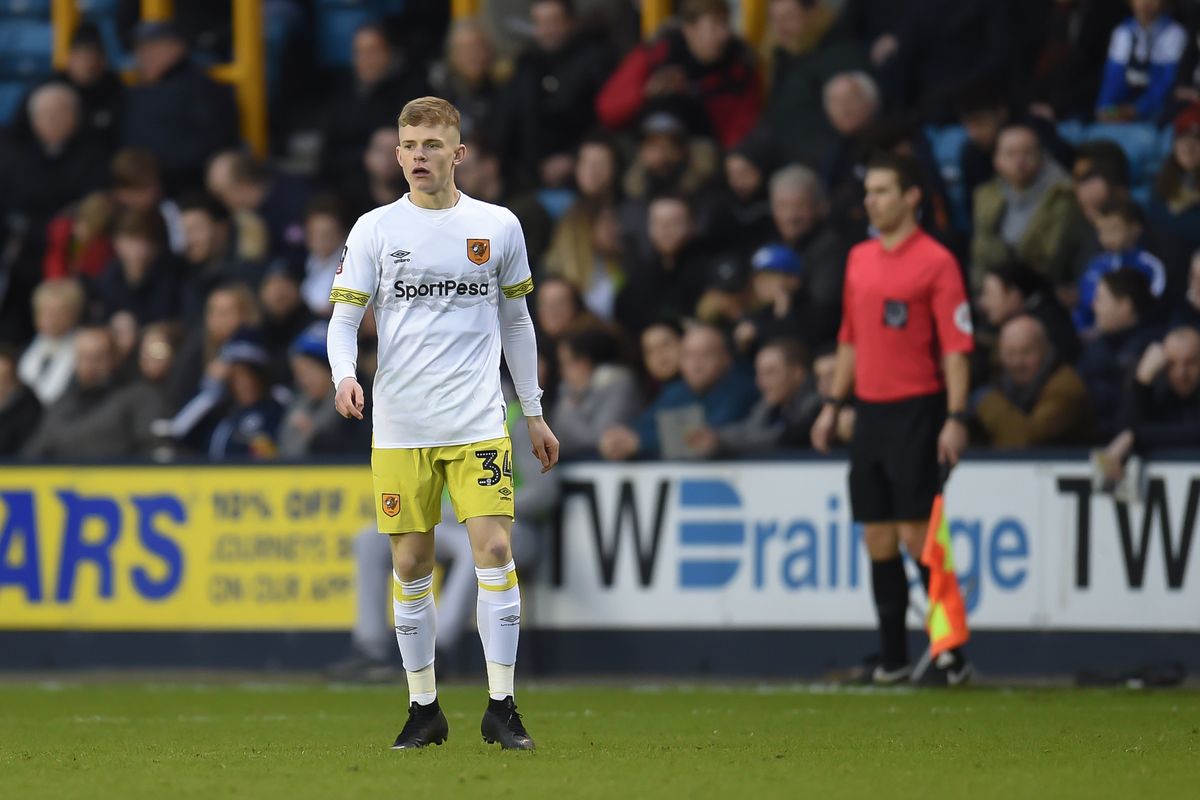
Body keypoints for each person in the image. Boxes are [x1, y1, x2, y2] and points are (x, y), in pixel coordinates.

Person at [325, 97, 559, 750]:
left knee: (493, 549)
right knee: (411, 564)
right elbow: (345, 319)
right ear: (397, 156)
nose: (420, 156)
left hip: (479, 421)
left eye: (433, 144)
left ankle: (502, 705)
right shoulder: (375, 229)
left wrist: (533, 412)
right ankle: (424, 707)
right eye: (410, 145)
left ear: (459, 153)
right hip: (401, 427)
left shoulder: (498, 226)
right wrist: (344, 374)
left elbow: (517, 322)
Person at [810, 153, 975, 686]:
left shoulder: (937, 261)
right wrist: (834, 405)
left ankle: (950, 651)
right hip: (870, 412)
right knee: (877, 537)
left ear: (911, 198)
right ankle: (894, 657)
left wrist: (955, 415)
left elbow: (956, 347)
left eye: (882, 191)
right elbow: (849, 337)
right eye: (868, 192)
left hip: (918, 408)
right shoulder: (859, 259)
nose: (871, 201)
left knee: (919, 535)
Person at [598, 323, 757, 460]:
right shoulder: (676, 391)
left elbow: (701, 437)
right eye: (688, 355)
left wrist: (640, 443)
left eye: (705, 355)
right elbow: (645, 425)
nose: (696, 365)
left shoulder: (741, 389)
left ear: (726, 358)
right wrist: (618, 438)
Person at [970, 122, 1086, 293]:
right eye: (1010, 154)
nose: (1019, 161)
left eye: (1026, 152)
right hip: (994, 292)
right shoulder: (985, 195)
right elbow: (979, 253)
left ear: (1041, 155)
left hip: (1043, 291)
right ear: (997, 160)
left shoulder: (1063, 196)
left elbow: (1050, 258)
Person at [972, 315, 1094, 448]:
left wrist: (985, 399)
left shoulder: (1066, 387)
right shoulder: (999, 379)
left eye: (1026, 352)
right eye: (1010, 353)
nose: (1017, 362)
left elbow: (1026, 440)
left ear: (1045, 349)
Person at [687, 337, 822, 456]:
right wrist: (712, 436)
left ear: (798, 374)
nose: (760, 382)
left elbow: (782, 438)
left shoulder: (817, 407)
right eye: (759, 373)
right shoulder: (767, 405)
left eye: (770, 373)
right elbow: (747, 431)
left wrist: (720, 441)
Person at [1100, 326, 1200, 478]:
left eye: (1191, 362)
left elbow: (1192, 433)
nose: (1181, 373)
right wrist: (1142, 380)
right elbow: (1122, 433)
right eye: (1171, 364)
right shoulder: (1158, 390)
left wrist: (1135, 437)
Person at [1078, 267, 1163, 439]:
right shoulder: (1095, 348)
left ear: (1124, 305)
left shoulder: (1155, 349)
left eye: (1100, 299)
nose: (1093, 306)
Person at [1074, 196, 1167, 331]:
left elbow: (1151, 306)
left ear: (1135, 229)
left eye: (1113, 229)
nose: (1106, 237)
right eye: (1101, 230)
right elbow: (1085, 304)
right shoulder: (1096, 264)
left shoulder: (1149, 266)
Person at [553, 326, 642, 458]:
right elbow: (555, 440)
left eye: (568, 363)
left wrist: (568, 410)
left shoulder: (620, 384)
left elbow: (598, 438)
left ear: (586, 362)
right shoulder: (568, 390)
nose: (562, 372)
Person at [1096, 0, 1187, 122]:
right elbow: (1112, 80)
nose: (1145, 3)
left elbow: (1165, 84)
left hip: (1155, 116)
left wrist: (1136, 109)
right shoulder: (1122, 32)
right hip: (1119, 113)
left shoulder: (1175, 34)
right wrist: (1105, 109)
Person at [17, 279, 86, 407]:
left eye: (58, 313)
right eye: (45, 311)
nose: (50, 319)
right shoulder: (24, 350)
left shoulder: (83, 352)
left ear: (74, 315)